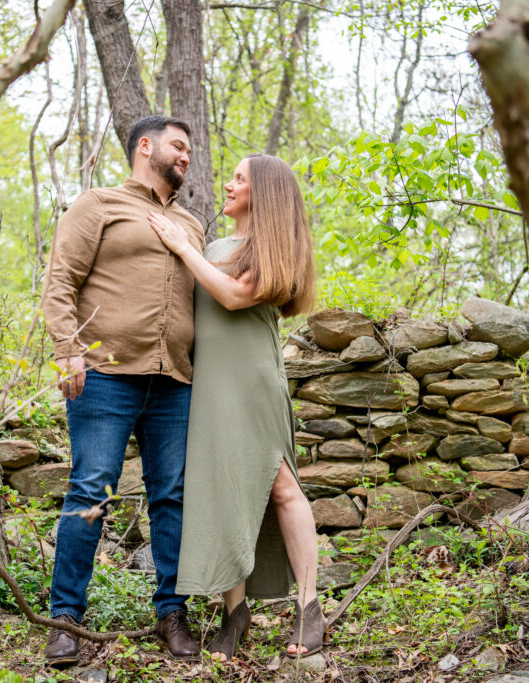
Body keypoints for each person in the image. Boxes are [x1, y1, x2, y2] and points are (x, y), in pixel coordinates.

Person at [40, 115, 206, 666]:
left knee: (173, 497)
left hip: (176, 382)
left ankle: (172, 615)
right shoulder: (98, 205)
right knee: (91, 490)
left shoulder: (192, 223)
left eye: (189, 150)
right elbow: (60, 279)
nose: (186, 156)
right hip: (105, 375)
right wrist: (68, 350)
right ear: (145, 146)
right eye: (178, 146)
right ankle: (65, 620)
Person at [147, 153, 323, 661]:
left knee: (281, 486)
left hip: (252, 381)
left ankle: (310, 609)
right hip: (210, 384)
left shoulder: (270, 249)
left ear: (262, 194)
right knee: (224, 490)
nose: (228, 185)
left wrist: (182, 245)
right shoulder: (217, 244)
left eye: (239, 180)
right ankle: (235, 613)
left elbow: (230, 295)